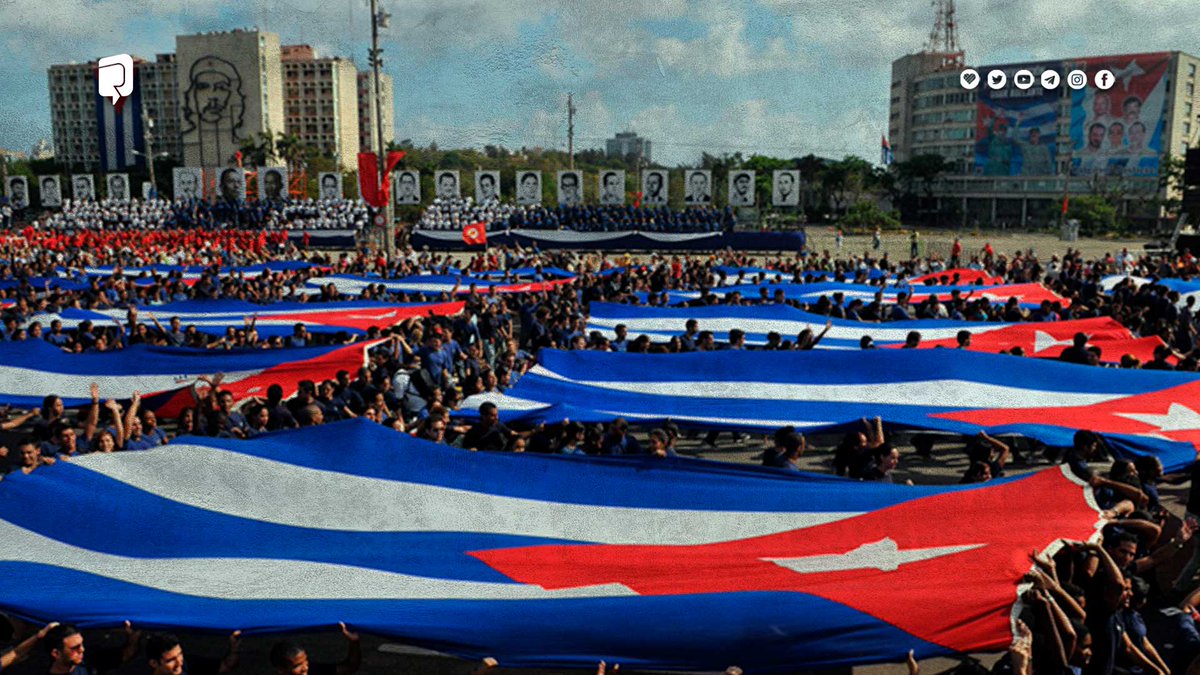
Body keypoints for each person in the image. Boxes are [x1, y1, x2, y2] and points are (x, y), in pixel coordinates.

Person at [43, 622, 141, 675]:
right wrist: (37, 637)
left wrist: (133, 639)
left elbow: (126, 654)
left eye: (81, 644)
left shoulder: (89, 660)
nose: (82, 650)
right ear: (56, 653)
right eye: (75, 648)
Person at [268, 623, 360, 675]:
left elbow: (350, 667)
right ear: (281, 670)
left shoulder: (313, 671)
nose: (305, 668)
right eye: (297, 666)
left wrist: (354, 641)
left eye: (306, 661)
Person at [144, 631, 242, 675]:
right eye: (170, 660)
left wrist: (234, 647)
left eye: (180, 655)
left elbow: (226, 665)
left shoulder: (189, 665)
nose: (179, 663)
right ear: (154, 663)